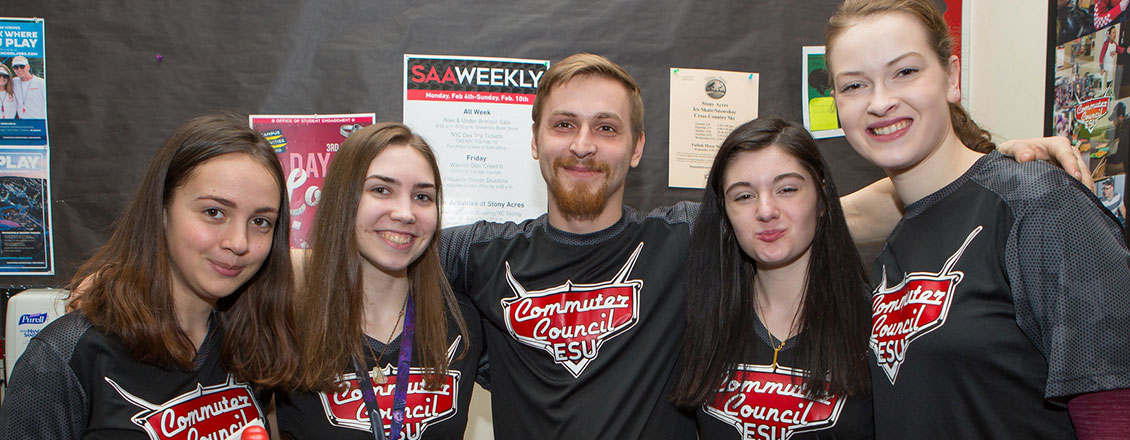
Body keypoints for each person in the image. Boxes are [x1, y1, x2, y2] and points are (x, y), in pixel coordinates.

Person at [440, 52, 1090, 439]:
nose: (584, 144)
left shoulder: (685, 238)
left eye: (606, 127)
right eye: (564, 125)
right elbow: (379, 246)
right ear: (534, 141)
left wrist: (994, 168)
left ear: (636, 148)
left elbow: (829, 215)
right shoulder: (476, 256)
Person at [826, 0, 1130, 438]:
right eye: (854, 85)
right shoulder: (896, 242)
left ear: (951, 77)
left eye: (905, 72)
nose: (880, 101)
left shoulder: (1040, 204)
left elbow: (1113, 409)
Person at [0, 114, 299, 438]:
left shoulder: (251, 342)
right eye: (214, 212)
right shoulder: (64, 356)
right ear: (162, 210)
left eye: (260, 222)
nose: (238, 242)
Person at [275, 123, 480, 440]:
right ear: (344, 199)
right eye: (381, 190)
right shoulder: (285, 326)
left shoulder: (464, 323)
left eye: (422, 196)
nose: (405, 212)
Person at [672, 118, 874, 439]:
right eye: (744, 196)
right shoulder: (701, 321)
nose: (766, 210)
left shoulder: (875, 327)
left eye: (787, 189)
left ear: (822, 199)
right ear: (724, 212)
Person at [11, 55, 45, 119]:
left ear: (28, 67)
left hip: (39, 120)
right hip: (23, 123)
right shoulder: (14, 81)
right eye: (16, 67)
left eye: (22, 66)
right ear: (13, 69)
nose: (19, 69)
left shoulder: (41, 83)